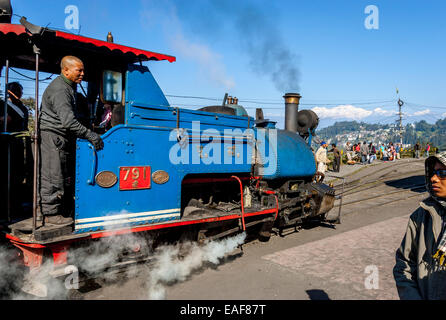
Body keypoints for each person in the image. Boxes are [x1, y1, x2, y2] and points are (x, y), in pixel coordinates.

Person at [38, 55, 103, 226]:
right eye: (79, 70)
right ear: (66, 70)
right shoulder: (61, 89)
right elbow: (68, 121)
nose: (82, 74)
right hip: (53, 135)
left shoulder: (69, 87)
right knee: (54, 175)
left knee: (61, 174)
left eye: (83, 70)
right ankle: (51, 214)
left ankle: (60, 209)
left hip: (60, 136)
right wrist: (90, 134)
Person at [393, 151, 446, 299]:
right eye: (433, 173)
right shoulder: (421, 216)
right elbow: (404, 265)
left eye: (442, 173)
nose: (434, 178)